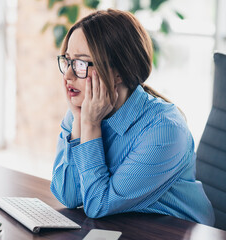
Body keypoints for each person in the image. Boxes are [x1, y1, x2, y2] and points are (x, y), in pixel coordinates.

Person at [50, 8, 215, 226]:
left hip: (172, 232)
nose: (68, 75)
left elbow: (97, 205)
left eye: (81, 63)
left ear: (119, 71)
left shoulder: (165, 130)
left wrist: (89, 124)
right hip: (122, 226)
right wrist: (80, 120)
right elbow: (68, 195)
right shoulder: (81, 112)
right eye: (68, 61)